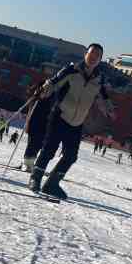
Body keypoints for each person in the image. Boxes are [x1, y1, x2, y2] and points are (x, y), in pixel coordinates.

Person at [29, 43, 115, 200]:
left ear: (100, 59)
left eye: (97, 55)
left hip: (77, 123)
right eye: (91, 53)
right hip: (60, 116)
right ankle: (35, 178)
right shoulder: (71, 70)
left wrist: (109, 108)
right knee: (49, 150)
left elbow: (103, 96)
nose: (93, 57)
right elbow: (54, 82)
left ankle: (52, 184)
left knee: (71, 156)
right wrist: (43, 90)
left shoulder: (99, 78)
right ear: (85, 54)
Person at [23, 81, 55, 173]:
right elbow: (30, 111)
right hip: (34, 124)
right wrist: (27, 123)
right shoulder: (36, 98)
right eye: (44, 89)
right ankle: (27, 163)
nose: (45, 91)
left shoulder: (52, 98)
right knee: (32, 143)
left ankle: (31, 163)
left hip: (45, 126)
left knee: (38, 145)